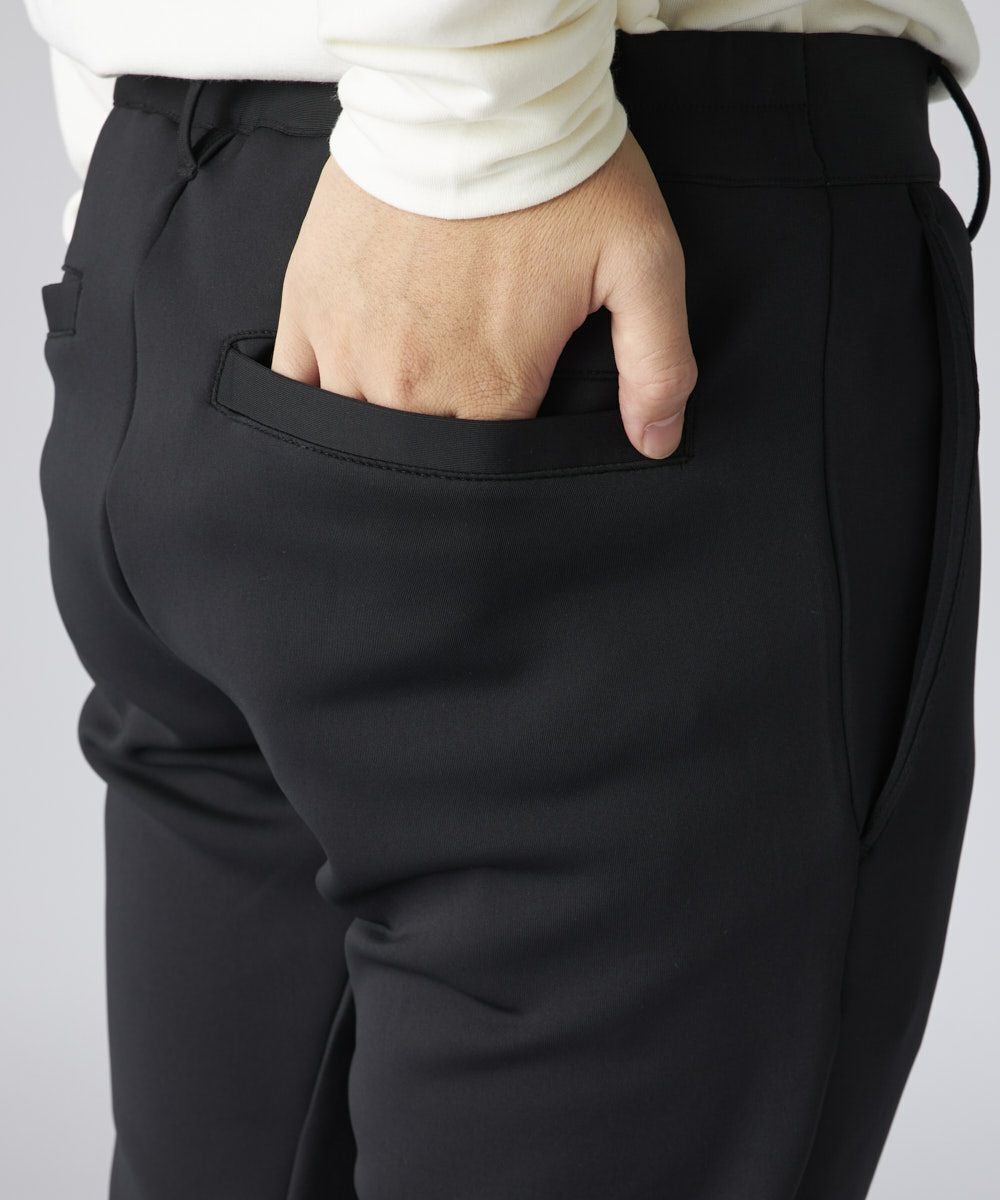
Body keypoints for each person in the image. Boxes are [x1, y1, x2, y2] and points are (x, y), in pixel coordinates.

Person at [26, 2, 989, 1197]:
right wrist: (484, 115)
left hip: (176, 229)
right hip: (529, 209)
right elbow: (476, 101)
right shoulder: (486, 120)